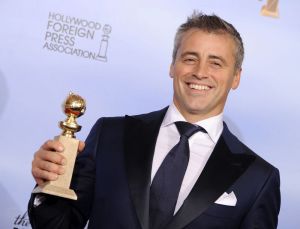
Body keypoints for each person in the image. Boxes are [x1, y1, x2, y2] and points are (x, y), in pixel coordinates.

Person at [28, 12, 280, 229]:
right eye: (190, 58)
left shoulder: (258, 179)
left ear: (236, 77)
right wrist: (47, 186)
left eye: (216, 63)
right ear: (173, 65)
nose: (200, 72)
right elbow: (60, 224)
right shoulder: (110, 135)